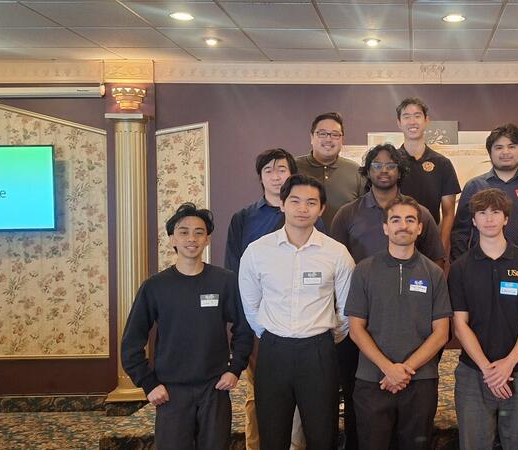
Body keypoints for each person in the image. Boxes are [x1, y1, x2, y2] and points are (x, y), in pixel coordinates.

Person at [122, 203, 254, 450]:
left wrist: (235, 368)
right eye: (183, 232)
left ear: (207, 239)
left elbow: (244, 328)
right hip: (171, 391)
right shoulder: (155, 286)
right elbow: (131, 342)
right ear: (172, 238)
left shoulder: (225, 281)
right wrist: (148, 383)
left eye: (199, 232)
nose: (191, 238)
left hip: (214, 388)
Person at [239, 174, 355, 450]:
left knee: (322, 435)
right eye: (295, 201)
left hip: (319, 353)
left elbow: (348, 310)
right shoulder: (257, 252)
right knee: (272, 434)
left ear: (321, 209)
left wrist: (324, 337)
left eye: (311, 202)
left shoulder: (337, 253)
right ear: (282, 204)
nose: (303, 208)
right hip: (273, 352)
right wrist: (272, 335)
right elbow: (251, 305)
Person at [224, 147, 316, 450]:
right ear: (260, 178)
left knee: (303, 396)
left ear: (292, 175)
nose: (276, 176)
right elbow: (235, 272)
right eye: (269, 171)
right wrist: (249, 322)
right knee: (258, 394)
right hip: (260, 323)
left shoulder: (307, 215)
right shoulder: (244, 219)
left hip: (305, 324)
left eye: (282, 170)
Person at [346, 196, 451, 450]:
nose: (403, 225)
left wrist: (404, 370)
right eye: (395, 220)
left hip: (420, 381)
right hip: (373, 380)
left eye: (410, 220)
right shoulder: (364, 270)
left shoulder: (433, 273)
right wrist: (387, 369)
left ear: (420, 228)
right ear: (385, 228)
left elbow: (441, 333)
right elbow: (356, 329)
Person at [449, 188, 518, 450]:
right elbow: (460, 324)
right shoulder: (460, 267)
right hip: (473, 372)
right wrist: (488, 369)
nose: (489, 219)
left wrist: (508, 364)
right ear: (473, 221)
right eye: (482, 213)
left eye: (495, 213)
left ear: (506, 219)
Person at [451, 123, 518, 285]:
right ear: (490, 152)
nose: (506, 152)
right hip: (481, 269)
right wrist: (462, 269)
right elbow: (460, 233)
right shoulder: (474, 186)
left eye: (511, 146)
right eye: (499, 147)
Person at [330, 143, 445, 265]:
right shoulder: (347, 214)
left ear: (400, 173)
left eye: (390, 166)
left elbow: (436, 261)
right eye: (377, 165)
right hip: (361, 283)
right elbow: (334, 261)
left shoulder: (420, 213)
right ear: (368, 172)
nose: (384, 170)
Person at [396, 97, 461, 254]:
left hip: (430, 243)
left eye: (417, 116)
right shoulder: (391, 163)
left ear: (426, 121)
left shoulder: (442, 164)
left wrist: (442, 247)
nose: (412, 122)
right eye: (406, 117)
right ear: (399, 123)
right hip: (396, 240)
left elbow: (448, 213)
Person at [295, 112, 367, 229]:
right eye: (322, 134)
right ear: (312, 137)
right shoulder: (293, 167)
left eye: (335, 135)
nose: (328, 139)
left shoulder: (356, 171)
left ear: (342, 139)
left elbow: (364, 214)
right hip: (299, 244)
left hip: (344, 245)